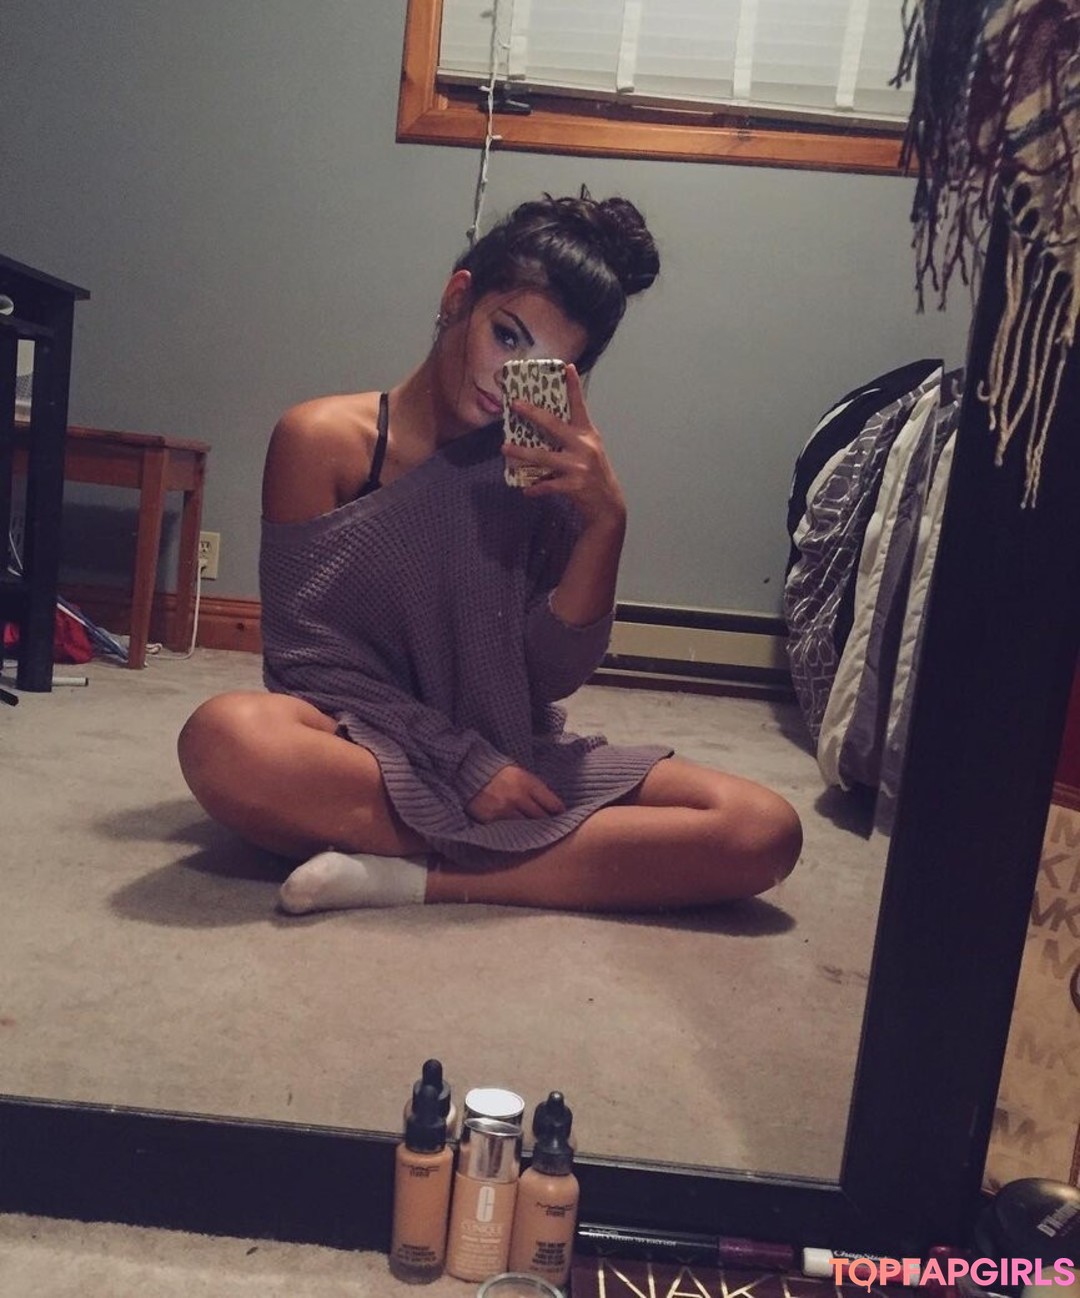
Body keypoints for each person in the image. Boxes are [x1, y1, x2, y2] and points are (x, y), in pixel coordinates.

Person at [177, 190, 802, 915]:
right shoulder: (321, 441)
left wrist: (605, 524)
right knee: (226, 739)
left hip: (513, 754)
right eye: (507, 336)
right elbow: (308, 664)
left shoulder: (544, 473)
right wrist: (463, 767)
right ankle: (535, 861)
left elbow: (551, 675)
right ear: (458, 298)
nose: (509, 381)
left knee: (763, 830)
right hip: (363, 751)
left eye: (544, 366)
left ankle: (411, 878)